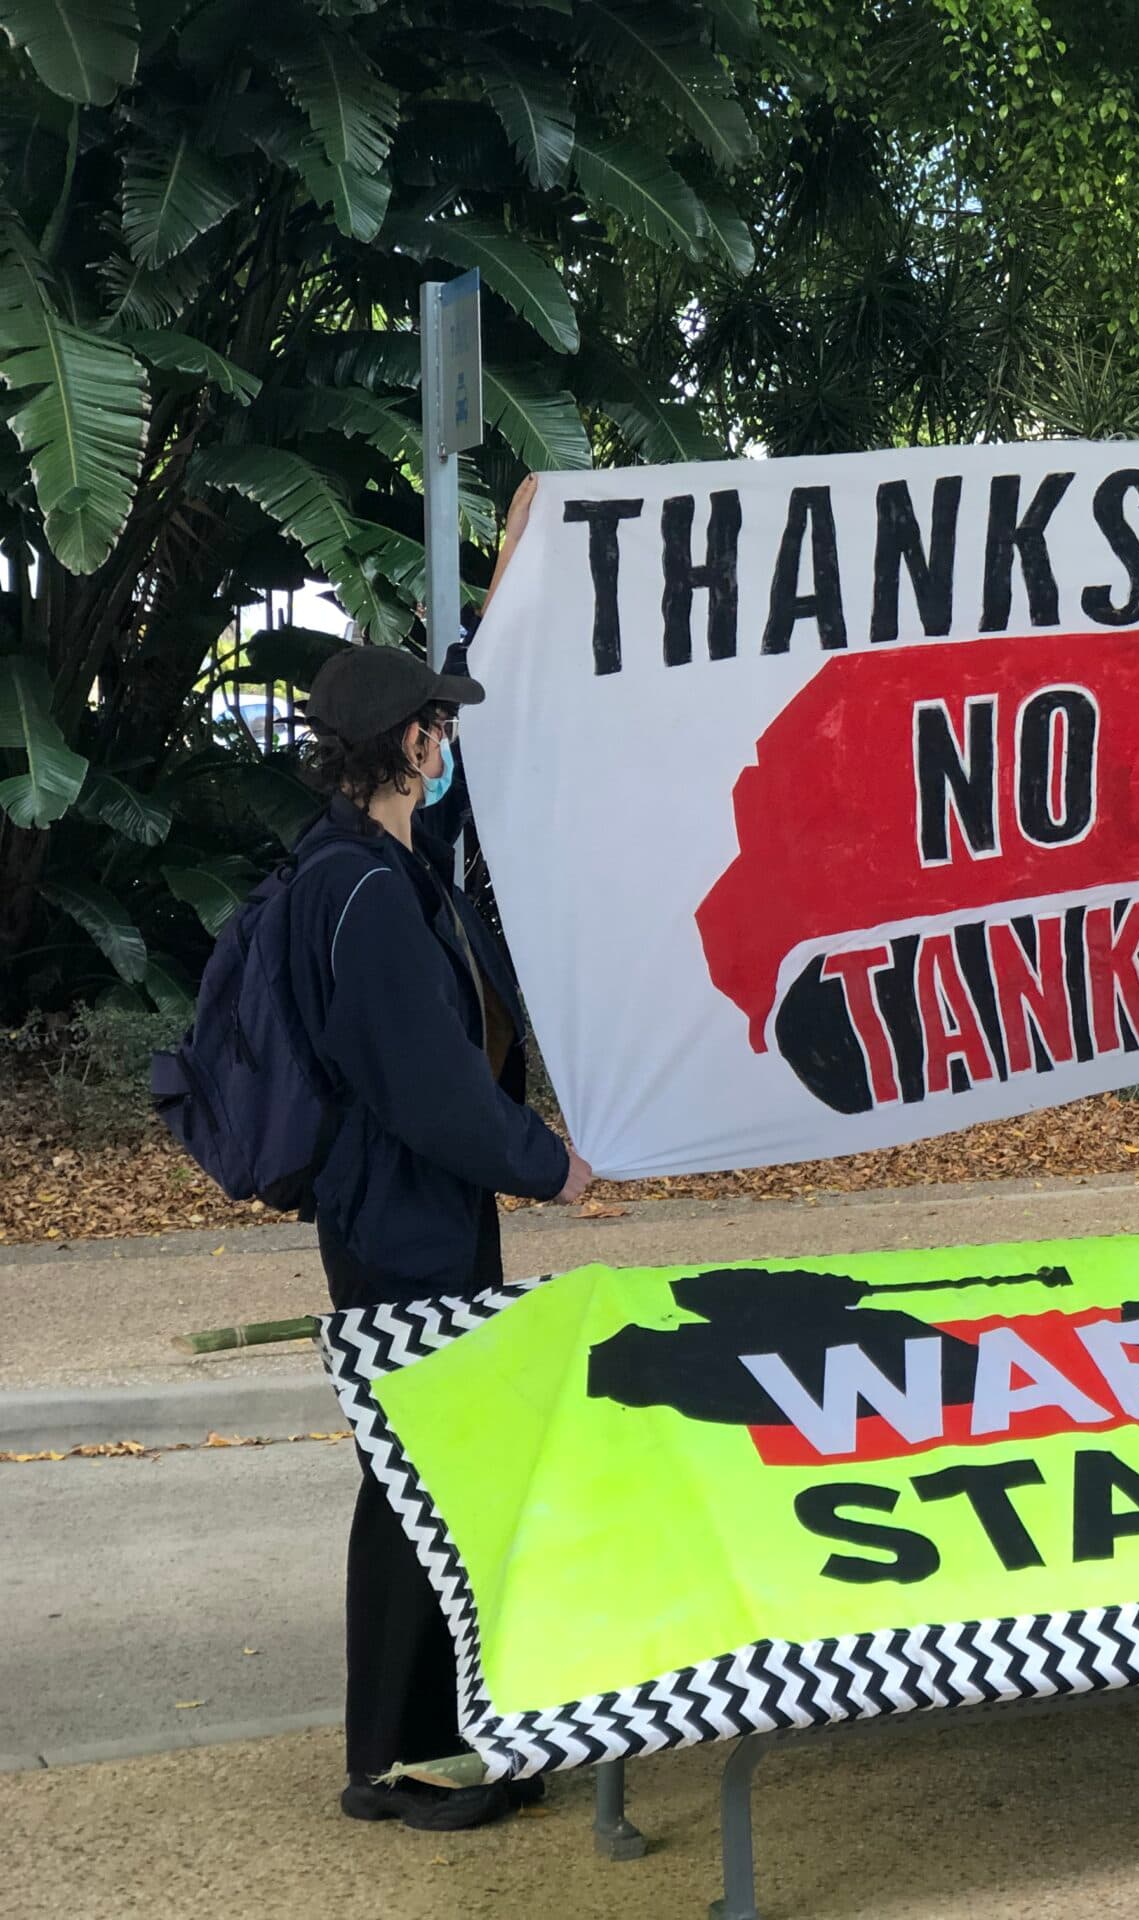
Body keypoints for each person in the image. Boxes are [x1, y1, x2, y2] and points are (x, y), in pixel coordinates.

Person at [285, 644, 594, 1829]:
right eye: (439, 726)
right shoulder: (359, 891)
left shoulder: (364, 864)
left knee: (409, 1477)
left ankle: (395, 1754)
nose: (449, 742)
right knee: (434, 1479)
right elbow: (428, 1084)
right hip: (405, 1219)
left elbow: (456, 998)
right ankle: (423, 1762)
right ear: (407, 744)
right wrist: (547, 1166)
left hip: (401, 1209)